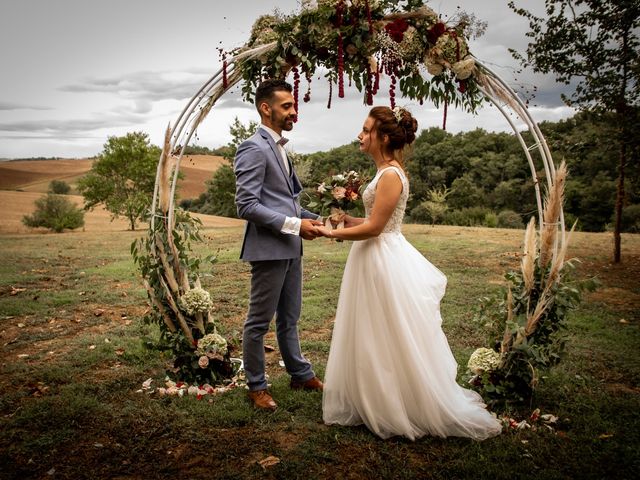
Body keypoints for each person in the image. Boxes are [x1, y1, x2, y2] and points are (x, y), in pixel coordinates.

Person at [317, 106, 502, 440]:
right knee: (373, 330)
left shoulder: (390, 175)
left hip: (383, 259)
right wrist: (346, 221)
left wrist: (332, 233)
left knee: (390, 331)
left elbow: (376, 229)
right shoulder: (384, 172)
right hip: (374, 255)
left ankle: (398, 404)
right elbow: (374, 222)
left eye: (366, 130)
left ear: (383, 137)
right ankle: (372, 397)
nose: (360, 135)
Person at [234, 79, 324, 411]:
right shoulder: (253, 148)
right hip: (269, 248)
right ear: (265, 108)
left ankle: (300, 374)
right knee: (259, 322)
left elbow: (287, 203)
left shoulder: (281, 148)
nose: (294, 112)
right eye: (287, 106)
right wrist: (294, 226)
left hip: (291, 247)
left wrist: (321, 218)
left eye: (294, 105)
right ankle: (256, 386)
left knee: (290, 318)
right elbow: (246, 205)